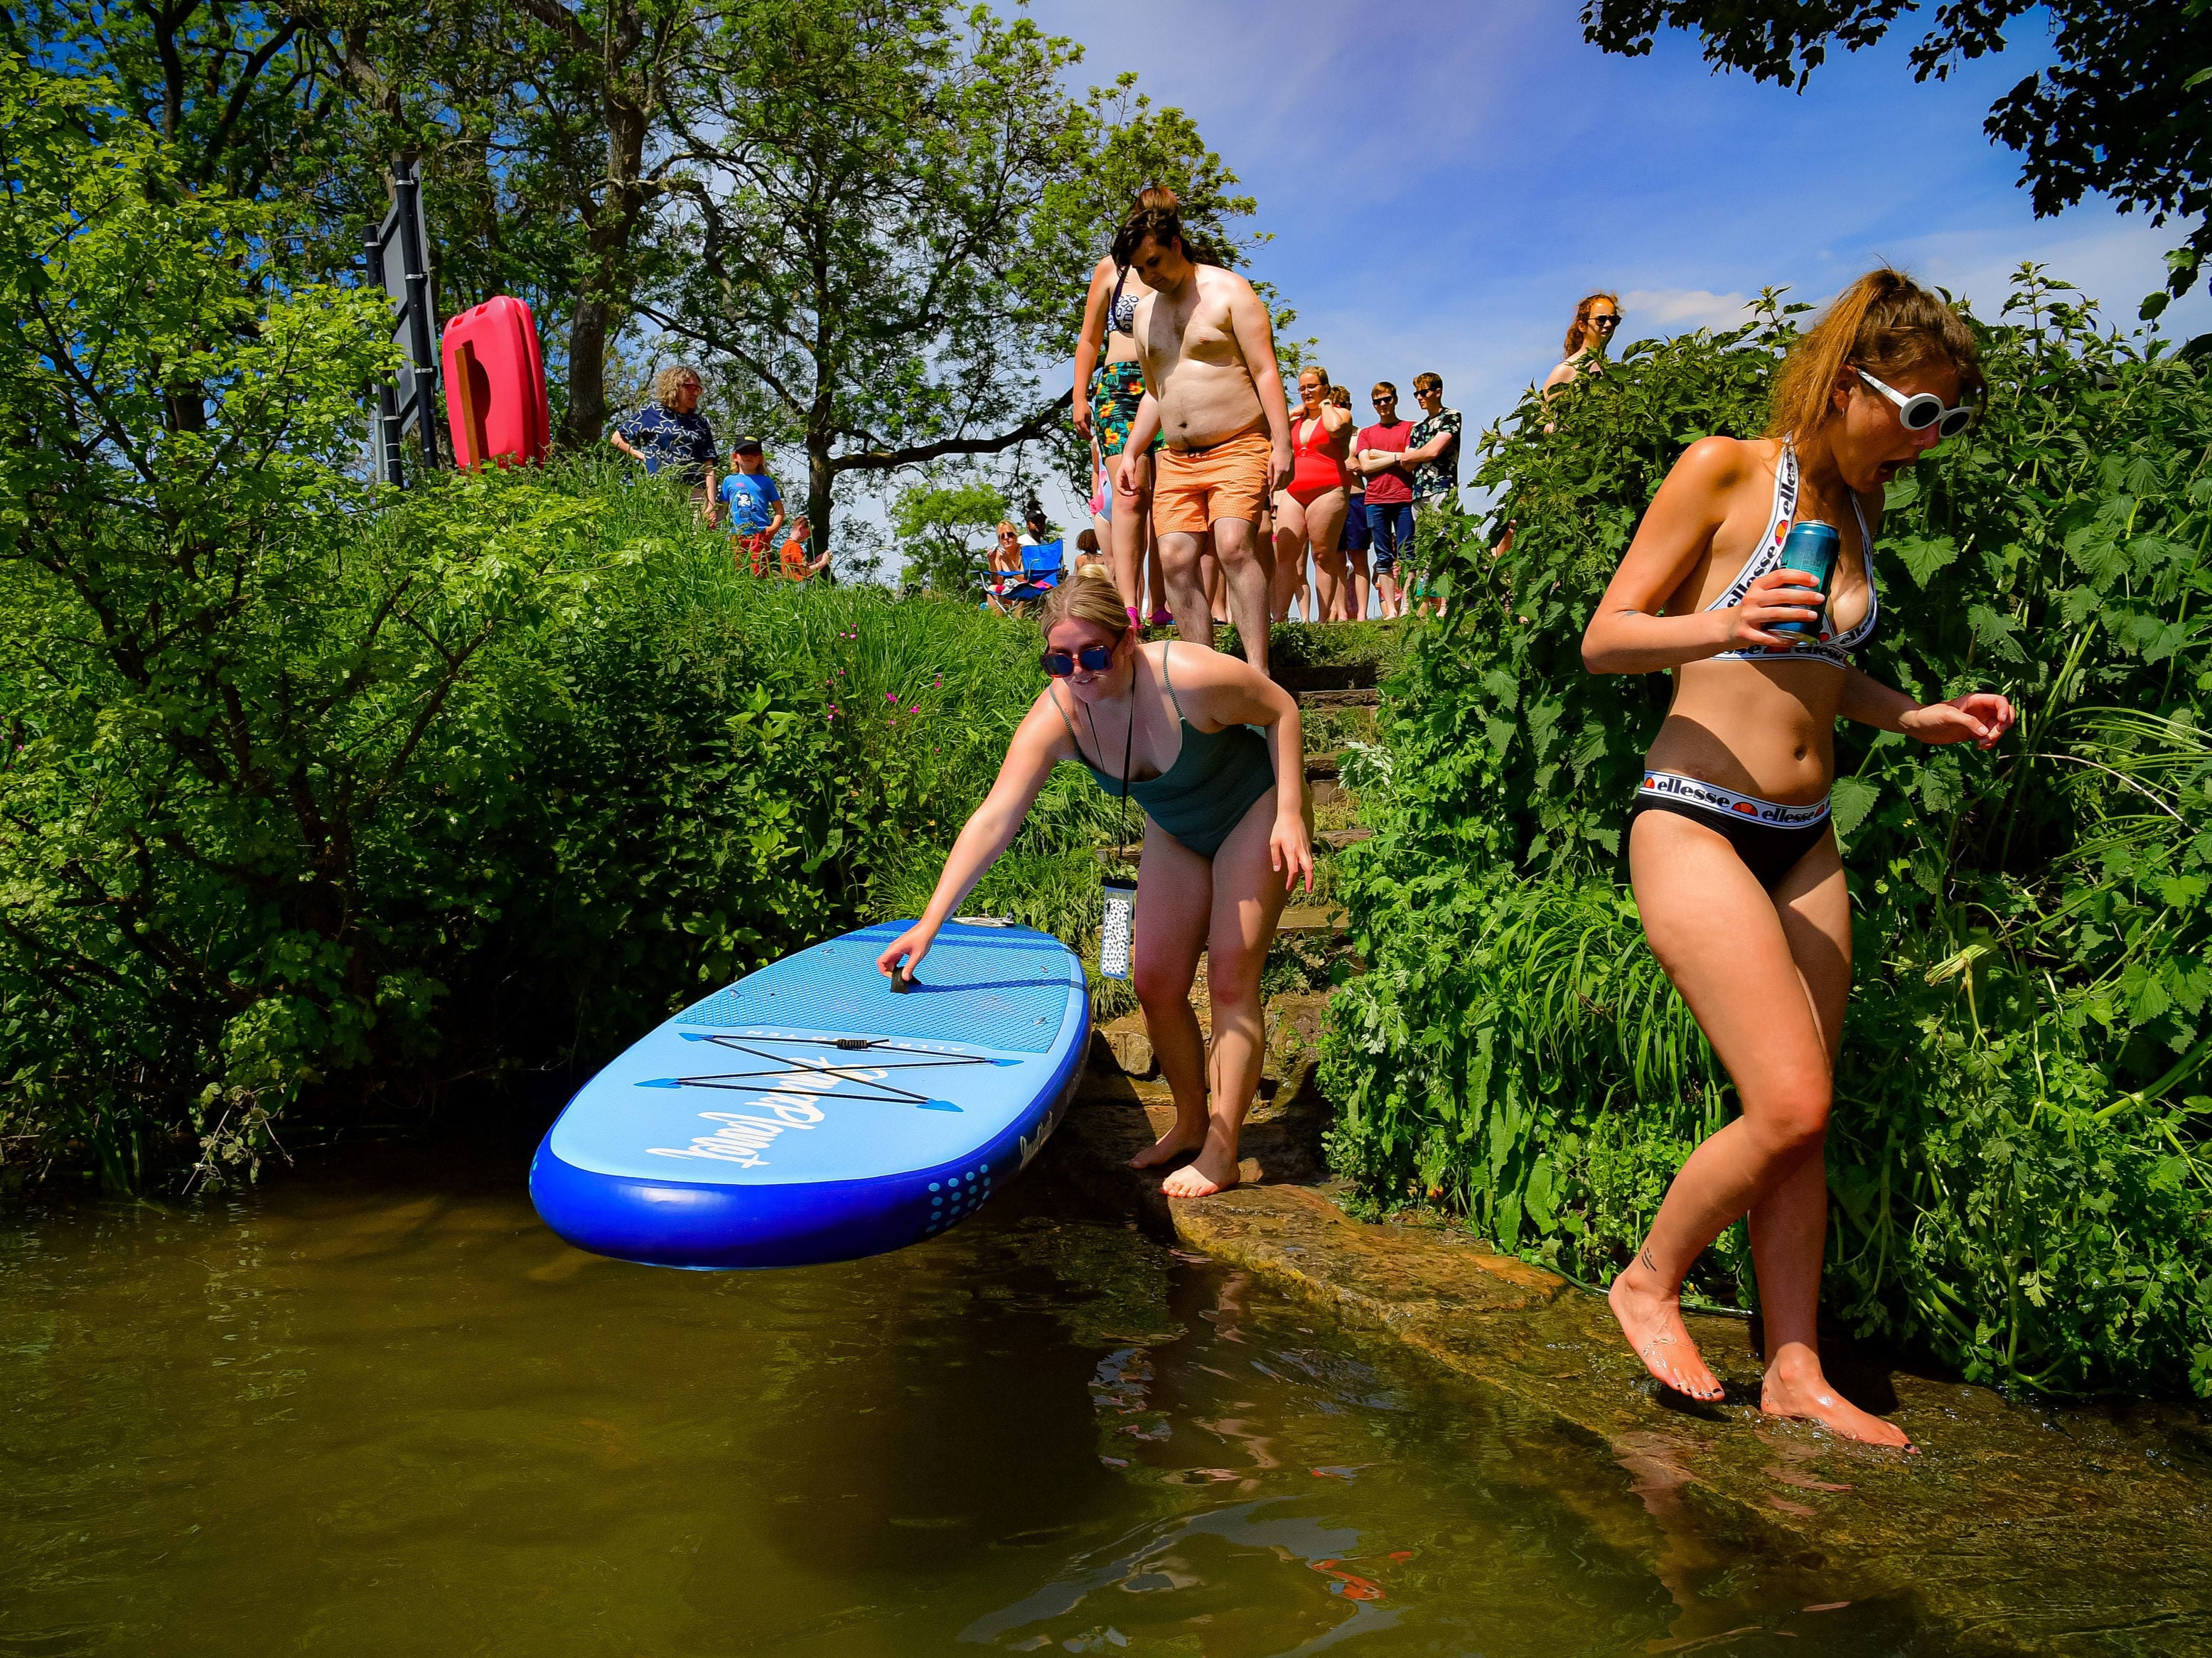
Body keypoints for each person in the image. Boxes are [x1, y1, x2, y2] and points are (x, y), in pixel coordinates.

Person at [1579, 268, 2013, 1448]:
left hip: (1803, 838)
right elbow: (1606, 636)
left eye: (1949, 420)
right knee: (1789, 1098)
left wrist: (1910, 714)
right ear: (1847, 383)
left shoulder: (1861, 515)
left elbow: (1821, 672)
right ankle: (1648, 1278)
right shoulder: (1724, 469)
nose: (1928, 441)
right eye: (1917, 412)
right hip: (1692, 814)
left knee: (1801, 1123)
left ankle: (1793, 1367)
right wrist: (1722, 618)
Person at [877, 566, 1313, 1197]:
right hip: (1177, 827)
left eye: (1093, 654)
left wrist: (1292, 811)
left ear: (1128, 641)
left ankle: (1223, 1149)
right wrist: (930, 921)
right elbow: (996, 817)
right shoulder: (1060, 714)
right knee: (1155, 980)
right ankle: (1191, 1122)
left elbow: (1281, 709)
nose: (1078, 671)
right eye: (1060, 660)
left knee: (1228, 975)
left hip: (1251, 810)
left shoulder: (1187, 677)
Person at [1115, 198, 1294, 677]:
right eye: (1139, 268)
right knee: (1174, 557)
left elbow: (1265, 370)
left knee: (1234, 544)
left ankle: (1258, 673)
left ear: (1176, 243)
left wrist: (1282, 442)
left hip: (1239, 443)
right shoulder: (1144, 314)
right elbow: (1158, 390)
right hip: (1176, 457)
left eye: (1154, 260)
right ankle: (1208, 679)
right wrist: (1133, 450)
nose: (1148, 274)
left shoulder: (1230, 291)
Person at [1075, 191, 1169, 623]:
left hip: (1169, 387)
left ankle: (1164, 605)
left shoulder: (1178, 268)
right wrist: (1080, 396)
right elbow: (1090, 338)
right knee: (1130, 496)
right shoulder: (1111, 270)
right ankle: (1128, 606)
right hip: (1118, 388)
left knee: (1168, 499)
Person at [1272, 365, 1353, 625]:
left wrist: (1326, 404)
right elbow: (1274, 436)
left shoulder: (1340, 414)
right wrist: (1292, 413)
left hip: (1329, 489)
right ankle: (1280, 618)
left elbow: (1334, 428)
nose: (1306, 392)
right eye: (1302, 388)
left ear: (1325, 388)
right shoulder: (1296, 419)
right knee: (1285, 555)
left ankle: (1322, 620)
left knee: (1322, 555)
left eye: (1312, 386)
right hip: (1295, 491)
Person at [609, 365, 718, 517]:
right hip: (662, 487)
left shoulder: (700, 423)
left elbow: (709, 466)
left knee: (698, 538)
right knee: (665, 537)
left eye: (698, 389)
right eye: (690, 387)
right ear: (675, 387)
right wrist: (643, 457)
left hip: (695, 491)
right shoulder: (653, 412)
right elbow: (617, 438)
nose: (695, 393)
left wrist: (711, 505)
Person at [1353, 383, 1415, 619]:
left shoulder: (1409, 427)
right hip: (1376, 499)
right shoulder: (1366, 433)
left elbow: (1411, 461)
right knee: (1383, 556)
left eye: (1387, 399)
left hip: (1404, 497)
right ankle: (1390, 610)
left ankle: (1408, 606)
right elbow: (1366, 465)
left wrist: (1378, 455)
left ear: (1395, 400)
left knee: (1407, 553)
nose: (1383, 405)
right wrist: (1398, 456)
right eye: (1378, 401)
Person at [1402, 372, 1461, 617]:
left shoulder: (1452, 416)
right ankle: (1424, 604)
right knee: (1424, 550)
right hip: (1419, 492)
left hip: (1443, 487)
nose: (1420, 398)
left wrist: (1417, 454)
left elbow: (1434, 450)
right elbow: (1407, 463)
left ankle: (1447, 605)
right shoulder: (1418, 427)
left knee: (1446, 545)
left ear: (1438, 391)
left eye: (1424, 392)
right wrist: (1417, 455)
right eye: (1416, 393)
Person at [1332, 384, 1370, 620]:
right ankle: (1341, 613)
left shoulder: (1361, 434)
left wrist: (1359, 466)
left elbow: (1370, 465)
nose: (1342, 410)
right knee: (1336, 560)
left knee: (1359, 558)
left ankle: (1363, 613)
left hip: (1357, 497)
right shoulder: (1324, 436)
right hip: (1332, 499)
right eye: (1337, 406)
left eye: (1344, 405)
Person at [719, 437, 785, 571]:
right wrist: (719, 531)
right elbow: (722, 509)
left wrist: (773, 529)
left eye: (754, 452)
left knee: (759, 571)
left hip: (760, 533)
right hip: (736, 534)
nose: (749, 456)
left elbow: (779, 510)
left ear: (760, 458)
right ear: (735, 456)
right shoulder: (729, 481)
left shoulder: (766, 481)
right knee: (737, 571)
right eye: (744, 452)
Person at [1544, 293, 1621, 397]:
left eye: (1613, 320)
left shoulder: (1612, 373)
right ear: (1582, 326)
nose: (1609, 325)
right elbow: (1545, 413)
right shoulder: (1566, 370)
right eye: (1601, 320)